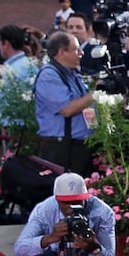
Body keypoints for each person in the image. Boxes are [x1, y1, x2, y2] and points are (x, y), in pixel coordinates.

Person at [32, 31, 96, 175]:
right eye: (76, 49)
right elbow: (67, 109)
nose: (81, 53)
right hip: (62, 148)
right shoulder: (49, 75)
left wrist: (94, 131)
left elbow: (87, 107)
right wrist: (96, 93)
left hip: (81, 147)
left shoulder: (72, 74)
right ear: (62, 52)